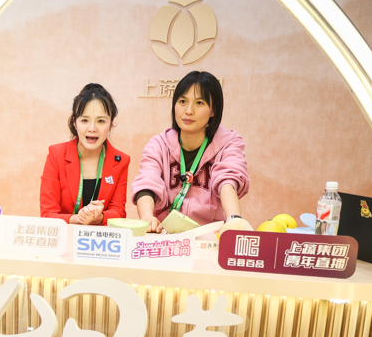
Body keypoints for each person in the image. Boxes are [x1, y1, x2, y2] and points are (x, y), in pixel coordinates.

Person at [131, 71, 249, 232]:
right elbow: (147, 181)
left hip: (209, 235)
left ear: (213, 110)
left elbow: (228, 180)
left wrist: (234, 219)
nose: (188, 110)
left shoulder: (229, 144)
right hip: (165, 234)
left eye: (199, 103)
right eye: (182, 101)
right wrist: (147, 217)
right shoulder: (158, 144)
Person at [40, 83, 129, 226]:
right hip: (66, 236)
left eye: (101, 121)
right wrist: (79, 218)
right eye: (84, 120)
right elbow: (47, 214)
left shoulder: (121, 161)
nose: (92, 128)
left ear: (111, 124)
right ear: (75, 123)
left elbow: (119, 212)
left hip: (101, 238)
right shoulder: (56, 155)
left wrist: (99, 217)